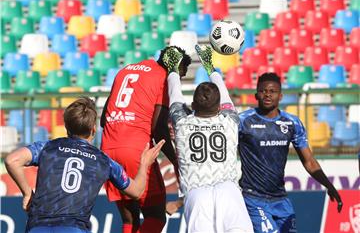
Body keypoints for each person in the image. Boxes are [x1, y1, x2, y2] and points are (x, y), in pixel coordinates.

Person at [4, 97, 165, 233]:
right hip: (74, 228)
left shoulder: (48, 147)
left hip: (37, 227)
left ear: (66, 126)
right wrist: (144, 164)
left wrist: (27, 193)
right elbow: (136, 191)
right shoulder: (103, 160)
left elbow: (12, 160)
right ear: (94, 129)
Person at [100, 47, 191, 233]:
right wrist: (176, 160)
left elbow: (103, 119)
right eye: (180, 76)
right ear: (175, 69)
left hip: (108, 148)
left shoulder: (126, 70)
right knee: (156, 216)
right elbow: (158, 129)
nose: (178, 81)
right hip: (136, 151)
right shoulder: (164, 77)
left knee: (129, 219)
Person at [238, 73, 343, 233]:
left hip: (280, 198)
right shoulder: (243, 121)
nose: (267, 94)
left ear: (280, 96)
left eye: (272, 91)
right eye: (263, 90)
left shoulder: (292, 123)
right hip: (253, 198)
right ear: (256, 95)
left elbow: (309, 162)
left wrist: (328, 185)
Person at [165, 45, 253, 232]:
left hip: (196, 194)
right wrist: (211, 68)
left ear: (193, 104)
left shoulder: (181, 123)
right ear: (220, 106)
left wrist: (172, 68)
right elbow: (225, 95)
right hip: (229, 192)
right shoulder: (231, 121)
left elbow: (174, 94)